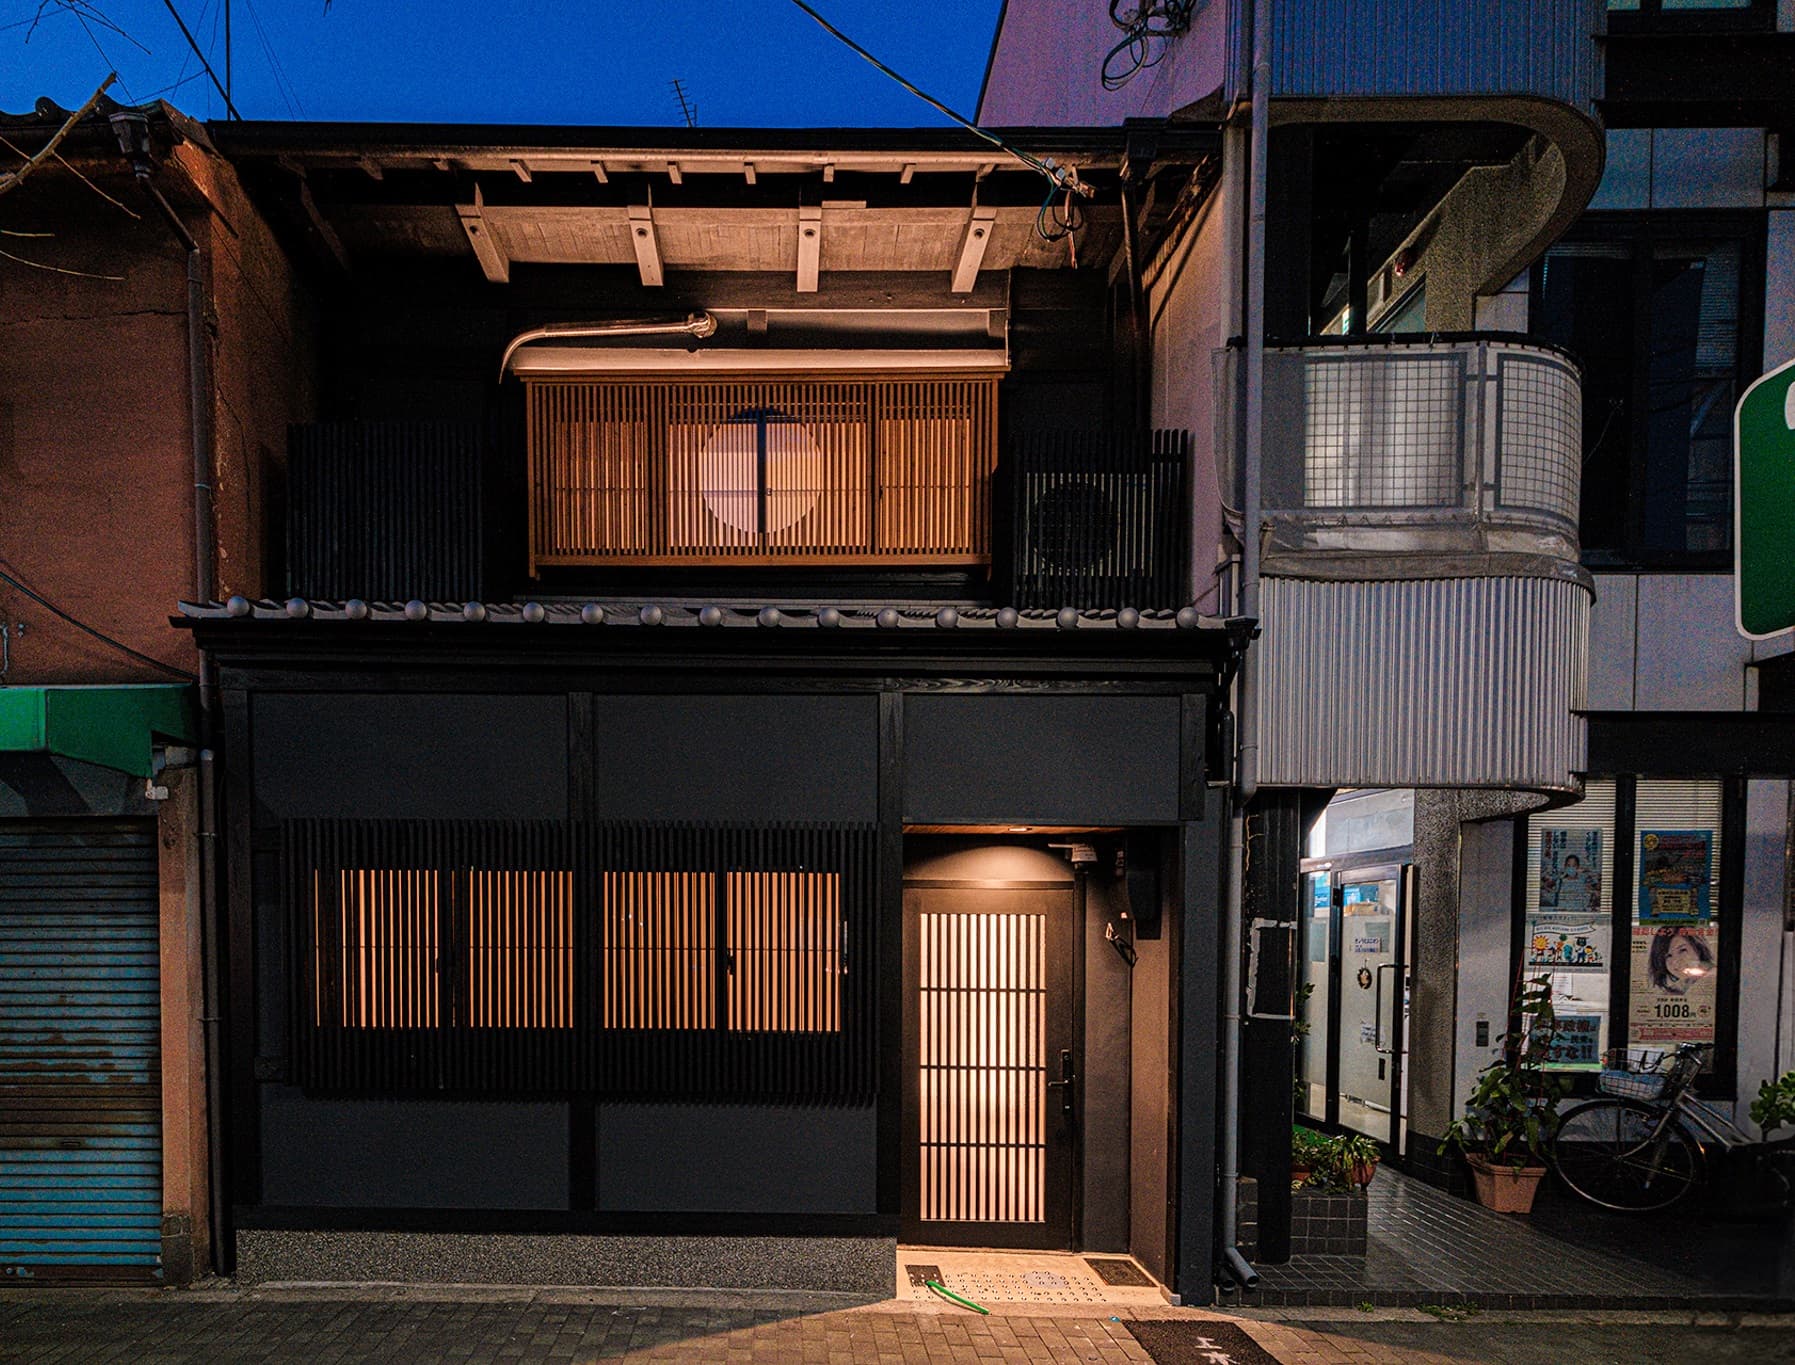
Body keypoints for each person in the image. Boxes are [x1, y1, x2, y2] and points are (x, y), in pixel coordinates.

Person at [1647, 926, 1715, 995]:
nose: (1675, 961)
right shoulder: (1676, 990)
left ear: (1698, 949)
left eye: (1682, 950)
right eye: (1668, 956)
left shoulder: (1712, 979)